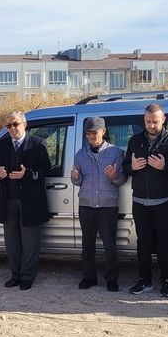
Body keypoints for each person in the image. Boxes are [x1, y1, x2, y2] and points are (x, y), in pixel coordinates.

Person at [124, 103, 168, 297]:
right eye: (147, 122)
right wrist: (132, 167)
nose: (151, 125)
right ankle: (145, 281)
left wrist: (164, 168)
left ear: (164, 119)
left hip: (165, 201)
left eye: (155, 122)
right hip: (140, 200)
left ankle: (167, 282)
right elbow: (125, 166)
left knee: (165, 243)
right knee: (143, 243)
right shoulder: (135, 140)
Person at [0, 111, 51, 291]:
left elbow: (46, 169)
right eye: (8, 126)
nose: (12, 128)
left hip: (30, 202)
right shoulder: (1, 145)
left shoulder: (37, 144)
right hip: (8, 200)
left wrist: (28, 174)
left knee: (30, 242)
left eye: (15, 124)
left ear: (24, 125)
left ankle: (27, 276)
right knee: (11, 242)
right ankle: (15, 275)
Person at [70, 117, 127, 292]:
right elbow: (78, 181)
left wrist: (114, 176)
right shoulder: (80, 154)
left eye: (94, 133)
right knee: (87, 245)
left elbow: (121, 179)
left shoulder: (116, 152)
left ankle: (111, 279)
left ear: (103, 131)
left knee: (109, 245)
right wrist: (75, 177)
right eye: (88, 133)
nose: (91, 136)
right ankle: (89, 277)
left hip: (107, 205)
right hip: (86, 205)